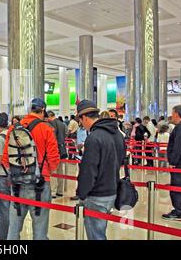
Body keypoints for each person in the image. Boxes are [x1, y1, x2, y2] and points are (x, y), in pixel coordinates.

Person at [2, 98, 60, 240]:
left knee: (14, 228)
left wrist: (17, 172)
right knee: (40, 230)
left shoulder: (14, 129)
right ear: (43, 111)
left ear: (29, 110)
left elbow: (5, 159)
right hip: (40, 185)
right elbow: (54, 159)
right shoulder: (46, 129)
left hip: (17, 184)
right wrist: (47, 171)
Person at [76, 100, 125, 240]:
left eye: (80, 120)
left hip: (96, 194)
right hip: (112, 189)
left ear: (84, 117)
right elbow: (121, 159)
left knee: (96, 235)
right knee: (100, 232)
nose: (81, 124)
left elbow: (89, 170)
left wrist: (82, 193)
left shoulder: (94, 137)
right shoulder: (117, 134)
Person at [162, 105, 181, 221]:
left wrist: (173, 161)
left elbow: (178, 146)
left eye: (173, 113)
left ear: (177, 114)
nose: (172, 116)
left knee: (177, 185)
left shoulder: (180, 127)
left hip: (179, 162)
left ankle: (179, 212)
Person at [47, 111, 67, 199]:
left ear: (50, 116)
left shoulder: (52, 124)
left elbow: (53, 137)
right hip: (62, 149)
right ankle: (60, 191)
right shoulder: (62, 124)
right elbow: (66, 134)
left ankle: (53, 192)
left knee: (53, 171)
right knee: (60, 171)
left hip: (55, 150)